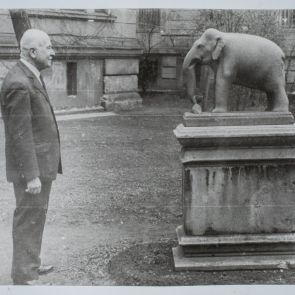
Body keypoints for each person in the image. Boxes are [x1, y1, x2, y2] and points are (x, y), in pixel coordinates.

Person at [0, 29, 62, 285]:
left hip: (39, 163)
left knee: (35, 215)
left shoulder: (28, 76)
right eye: (48, 47)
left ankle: (31, 264)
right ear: (32, 52)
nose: (53, 52)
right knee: (28, 216)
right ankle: (24, 275)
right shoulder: (19, 83)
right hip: (32, 169)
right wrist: (31, 176)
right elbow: (19, 135)